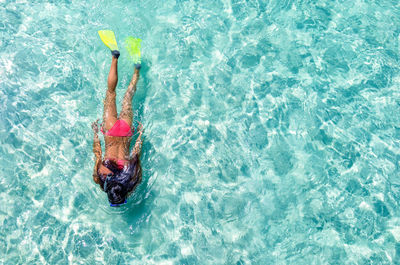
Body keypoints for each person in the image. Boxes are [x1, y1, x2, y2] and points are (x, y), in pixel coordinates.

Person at [91, 46, 143, 207]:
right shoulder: (100, 175)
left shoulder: (132, 175)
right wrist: (95, 133)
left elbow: (136, 152)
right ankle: (115, 57)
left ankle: (136, 69)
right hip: (110, 130)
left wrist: (140, 134)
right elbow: (98, 152)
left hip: (126, 131)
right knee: (111, 92)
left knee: (128, 97)